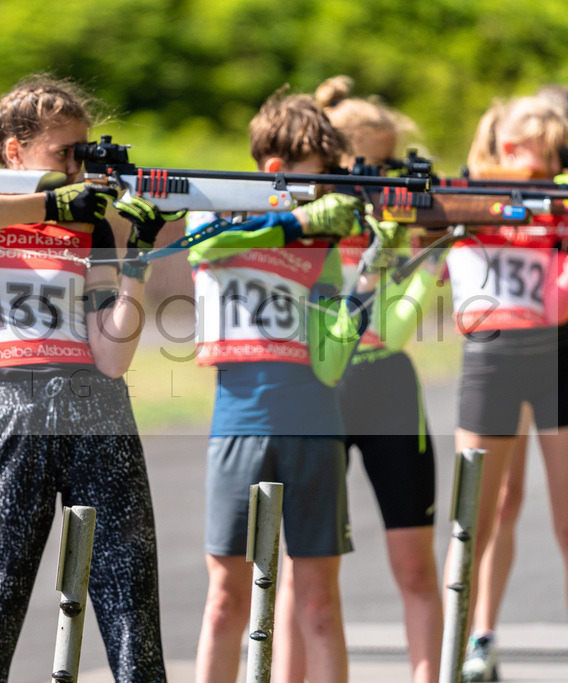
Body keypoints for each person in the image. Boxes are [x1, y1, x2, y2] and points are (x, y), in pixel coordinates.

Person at [0, 74, 178, 682]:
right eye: (64, 152)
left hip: (100, 408)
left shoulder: (89, 225)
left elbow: (112, 356)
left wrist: (137, 258)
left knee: (133, 623)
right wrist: (52, 205)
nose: (76, 167)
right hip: (14, 407)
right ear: (14, 150)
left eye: (82, 154)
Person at [188, 90, 404, 683]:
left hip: (315, 423)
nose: (326, 192)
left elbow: (332, 360)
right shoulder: (213, 205)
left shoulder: (322, 244)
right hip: (239, 425)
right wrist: (297, 221)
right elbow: (203, 245)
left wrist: (372, 278)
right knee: (226, 600)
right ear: (278, 168)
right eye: (318, 177)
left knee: (318, 604)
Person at [317, 75, 443, 683]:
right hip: (320, 391)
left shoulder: (398, 213)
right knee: (311, 577)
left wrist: (434, 248)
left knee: (416, 568)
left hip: (388, 386)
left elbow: (395, 329)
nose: (384, 177)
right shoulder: (309, 214)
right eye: (371, 166)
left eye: (392, 165)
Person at [446, 95, 568, 682]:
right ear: (511, 147)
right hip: (491, 364)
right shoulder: (471, 197)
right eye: (546, 154)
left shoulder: (558, 204)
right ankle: (473, 640)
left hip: (556, 361)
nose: (554, 168)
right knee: (482, 513)